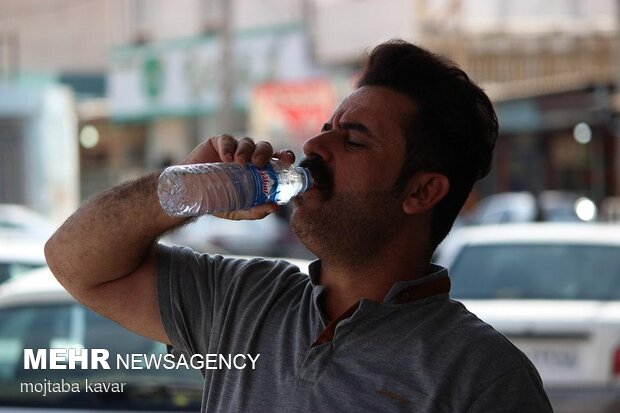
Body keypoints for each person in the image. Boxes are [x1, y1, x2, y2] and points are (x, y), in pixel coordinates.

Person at [45, 40, 553, 412]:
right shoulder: (245, 300)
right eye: (327, 128)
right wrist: (181, 189)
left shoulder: (482, 377)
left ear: (421, 192)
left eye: (353, 141)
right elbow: (72, 260)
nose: (314, 147)